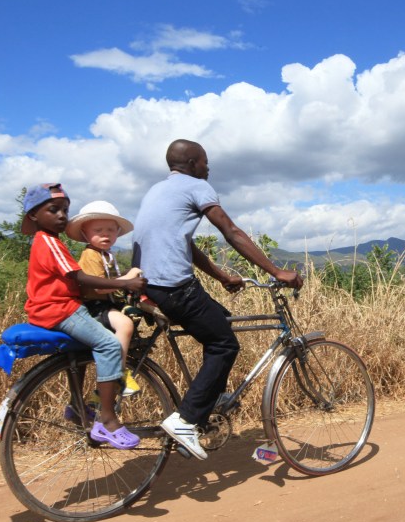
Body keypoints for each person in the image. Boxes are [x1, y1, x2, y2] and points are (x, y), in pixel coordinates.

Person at [132, 139, 303, 460]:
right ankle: (186, 420)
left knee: (220, 320)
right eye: (206, 162)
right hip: (174, 287)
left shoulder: (158, 190)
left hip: (150, 285)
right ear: (194, 163)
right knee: (225, 345)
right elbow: (231, 230)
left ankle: (205, 404)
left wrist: (222, 277)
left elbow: (186, 247)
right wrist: (276, 270)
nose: (209, 168)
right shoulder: (196, 186)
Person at [21, 183, 147, 449]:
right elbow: (78, 277)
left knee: (86, 350)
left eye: (65, 210)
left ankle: (78, 406)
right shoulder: (50, 242)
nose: (61, 216)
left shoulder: (48, 241)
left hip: (55, 308)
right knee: (110, 344)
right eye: (53, 210)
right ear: (34, 215)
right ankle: (108, 420)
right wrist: (125, 284)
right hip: (60, 309)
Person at [66, 200, 144, 397]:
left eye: (111, 230)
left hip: (104, 305)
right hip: (94, 306)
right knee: (125, 325)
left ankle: (98, 397)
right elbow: (100, 287)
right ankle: (119, 375)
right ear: (85, 233)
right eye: (98, 230)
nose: (105, 234)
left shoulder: (106, 255)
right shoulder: (91, 255)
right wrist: (128, 277)